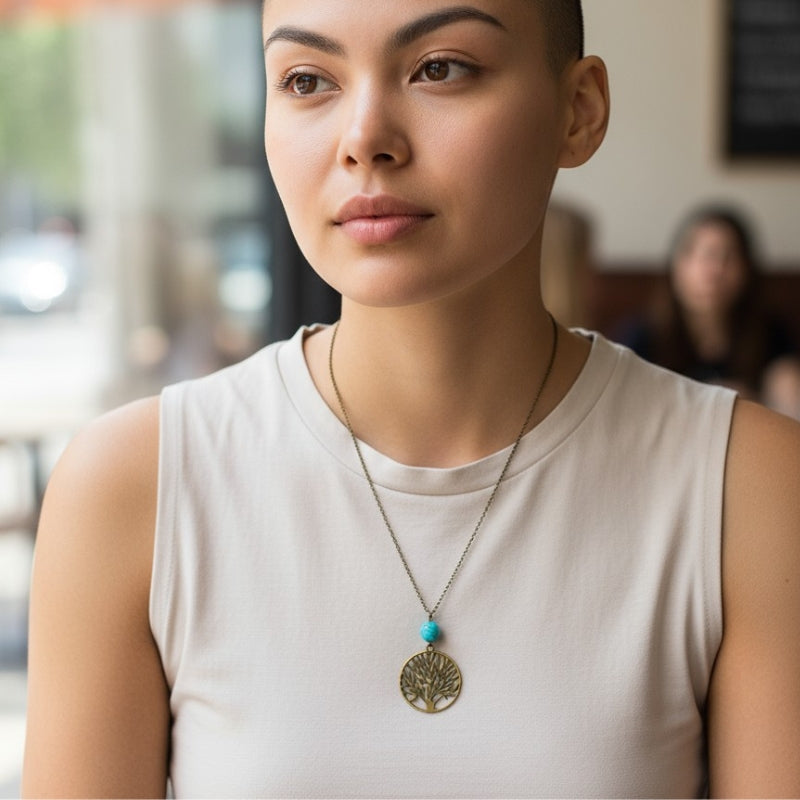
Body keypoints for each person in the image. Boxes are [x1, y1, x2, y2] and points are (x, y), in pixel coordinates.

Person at [22, 1, 800, 797]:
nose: (364, 139)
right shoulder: (135, 487)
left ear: (579, 111)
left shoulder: (748, 488)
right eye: (307, 80)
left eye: (440, 68)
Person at [617, 204, 800, 402]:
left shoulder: (772, 333)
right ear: (676, 266)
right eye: (704, 255)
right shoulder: (643, 336)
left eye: (728, 257)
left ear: (747, 270)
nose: (714, 271)